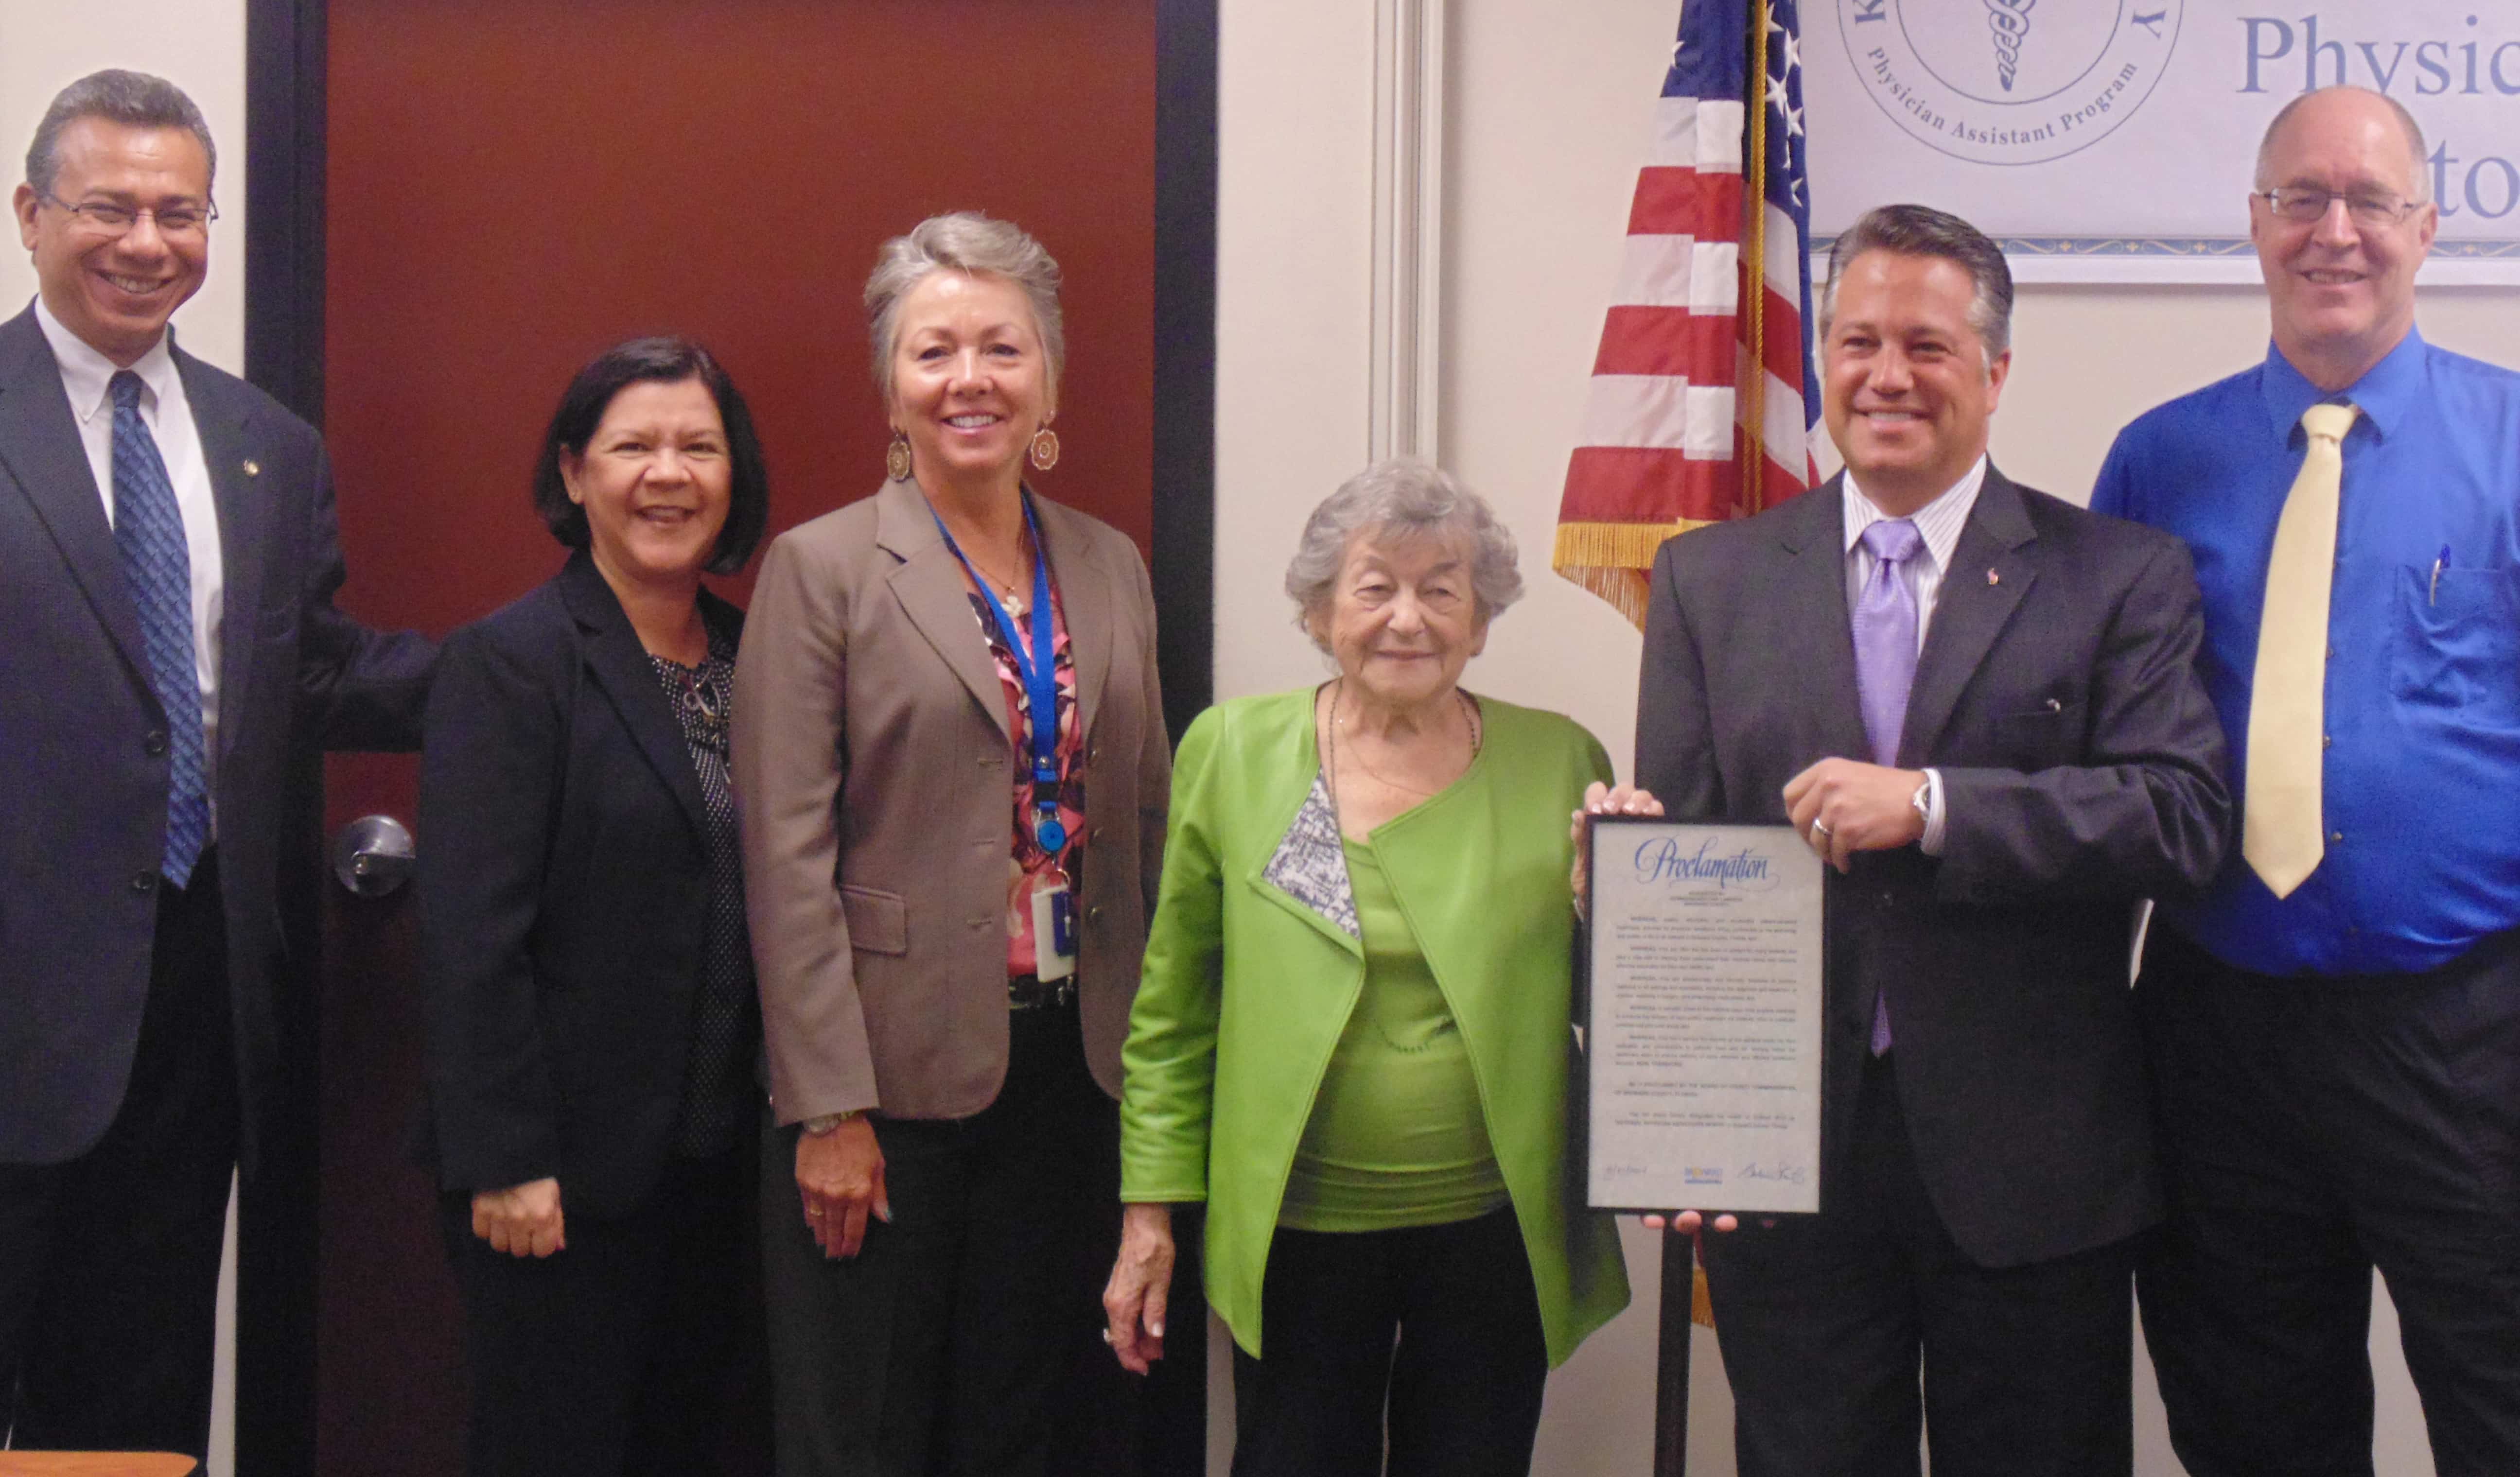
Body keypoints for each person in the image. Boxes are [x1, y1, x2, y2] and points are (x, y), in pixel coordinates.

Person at [1598, 204, 2229, 1477]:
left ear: (1995, 374)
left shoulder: (2118, 572)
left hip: (2034, 1165)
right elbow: (1693, 859)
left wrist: (1937, 805)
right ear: (1823, 358)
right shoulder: (1709, 580)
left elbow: (2182, 813)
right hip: (1787, 1160)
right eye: (1859, 341)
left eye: (1929, 347)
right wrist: (1669, 1104)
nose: (1889, 376)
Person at [0, 68, 435, 1456]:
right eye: (108, 207)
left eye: (178, 212)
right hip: (11, 988)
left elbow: (299, 674)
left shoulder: (265, 446)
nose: (147, 241)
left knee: (130, 1388)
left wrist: (539, 667)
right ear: (30, 214)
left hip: (193, 1003)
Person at [2092, 85, 2520, 1477]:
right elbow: (2108, 736)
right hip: (2222, 1025)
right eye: (2302, 201)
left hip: (2470, 1028)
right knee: (2250, 1415)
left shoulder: (2513, 443)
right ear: (2256, 223)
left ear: (2429, 228)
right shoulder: (2159, 460)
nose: (2336, 233)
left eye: (2372, 202)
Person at [734, 212, 1169, 1477]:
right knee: (862, 1432)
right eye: (934, 353)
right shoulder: (821, 571)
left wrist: (1150, 1081)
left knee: (1023, 1427)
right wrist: (827, 1108)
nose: (968, 379)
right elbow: (787, 861)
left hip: (1069, 1076)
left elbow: (1136, 819)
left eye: (1001, 348)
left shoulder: (1108, 561)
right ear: (892, 384)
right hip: (884, 1091)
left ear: (1049, 379)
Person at [1106, 459, 1630, 1477]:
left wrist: (1614, 907)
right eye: (1374, 586)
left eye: (1443, 589)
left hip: (1491, 1230)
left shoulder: (1563, 762)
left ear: (1480, 623)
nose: (1408, 619)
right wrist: (1147, 1215)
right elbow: (1175, 1008)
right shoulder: (1236, 752)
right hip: (1298, 1230)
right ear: (1317, 612)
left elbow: (1620, 1003)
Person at [415, 336, 771, 1476]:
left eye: (698, 447)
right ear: (575, 475)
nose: (668, 474)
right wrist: (505, 1160)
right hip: (561, 1181)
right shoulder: (511, 664)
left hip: (725, 1169)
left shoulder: (759, 658)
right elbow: (471, 939)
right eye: (633, 446)